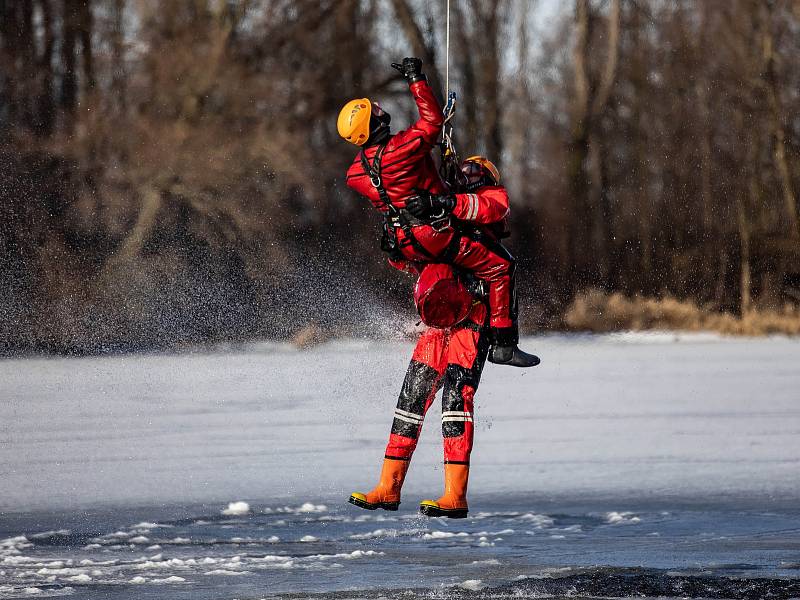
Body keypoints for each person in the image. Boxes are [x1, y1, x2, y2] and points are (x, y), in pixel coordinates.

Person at [337, 57, 538, 368]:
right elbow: (432, 123)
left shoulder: (357, 173)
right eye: (371, 109)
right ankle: (503, 345)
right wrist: (417, 79)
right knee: (501, 266)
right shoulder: (399, 151)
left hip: (404, 242)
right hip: (434, 234)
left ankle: (448, 316)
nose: (377, 105)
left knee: (448, 271)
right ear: (371, 125)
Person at [349, 262, 491, 519]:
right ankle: (388, 487)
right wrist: (397, 242)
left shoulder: (472, 232)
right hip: (441, 313)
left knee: (455, 401)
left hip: (473, 313)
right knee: (411, 399)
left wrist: (505, 334)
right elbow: (407, 260)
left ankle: (455, 495)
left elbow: (500, 267)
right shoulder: (425, 228)